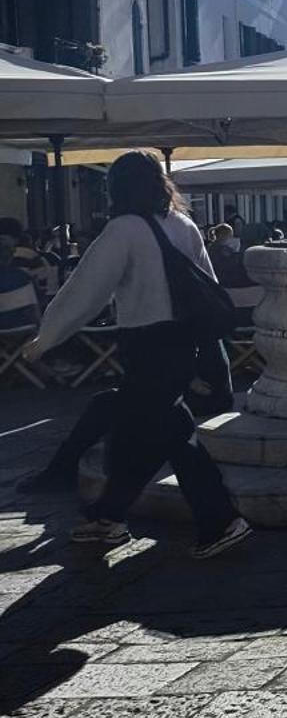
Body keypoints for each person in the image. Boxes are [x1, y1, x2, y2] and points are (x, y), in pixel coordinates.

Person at [19, 151, 250, 558]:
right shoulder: (184, 224)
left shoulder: (123, 229)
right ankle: (108, 516)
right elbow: (208, 284)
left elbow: (84, 292)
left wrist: (46, 339)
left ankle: (219, 519)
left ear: (117, 188)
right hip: (187, 340)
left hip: (148, 342)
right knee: (141, 427)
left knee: (169, 431)